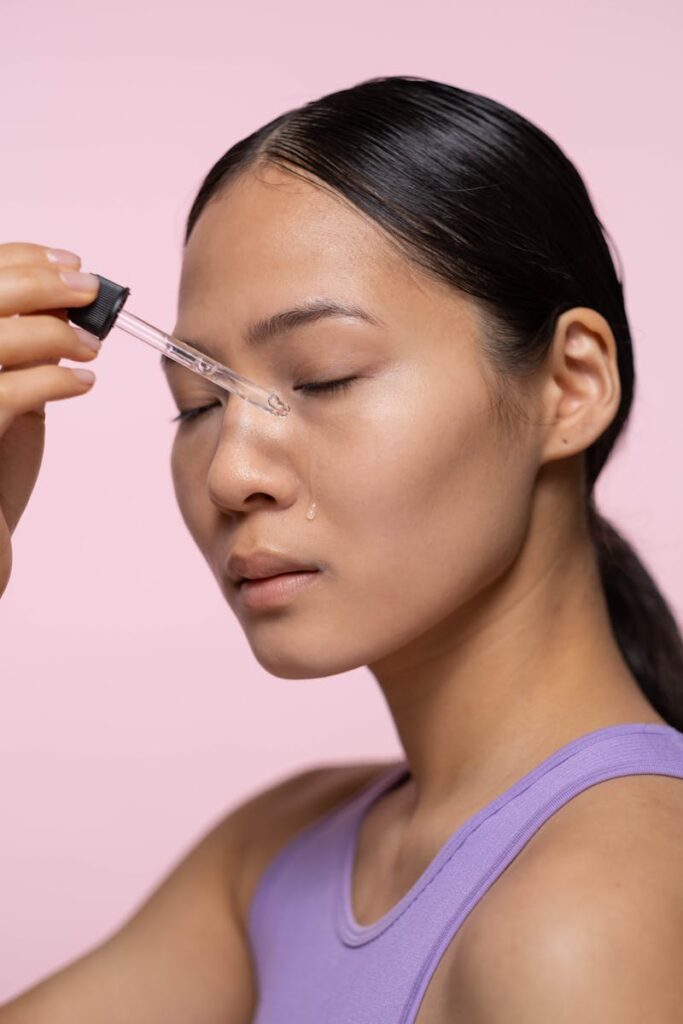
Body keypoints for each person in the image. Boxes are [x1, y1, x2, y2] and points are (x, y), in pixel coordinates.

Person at [2, 76, 683, 1023]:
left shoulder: (591, 917)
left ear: (567, 386)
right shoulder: (278, 860)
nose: (231, 472)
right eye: (197, 406)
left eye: (322, 378)